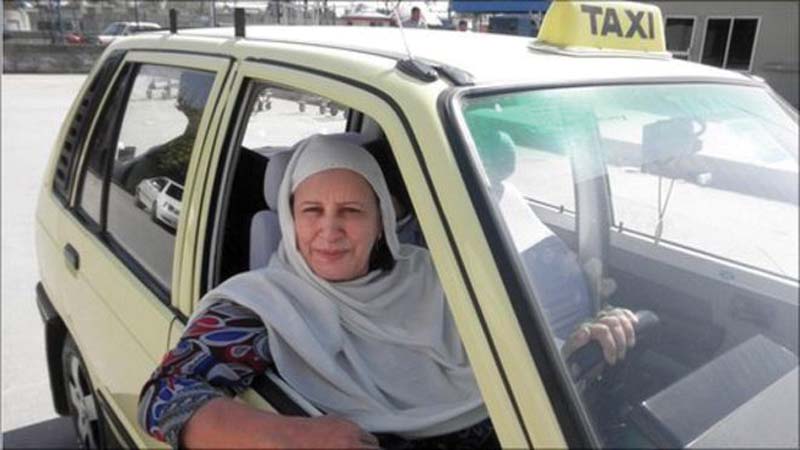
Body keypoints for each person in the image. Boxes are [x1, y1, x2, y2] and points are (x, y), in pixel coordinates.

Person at [138, 133, 636, 449]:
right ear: (290, 220)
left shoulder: (434, 274)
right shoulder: (261, 306)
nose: (329, 230)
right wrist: (295, 436)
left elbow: (500, 349)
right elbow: (163, 397)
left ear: (382, 223)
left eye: (351, 211)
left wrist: (572, 345)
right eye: (312, 211)